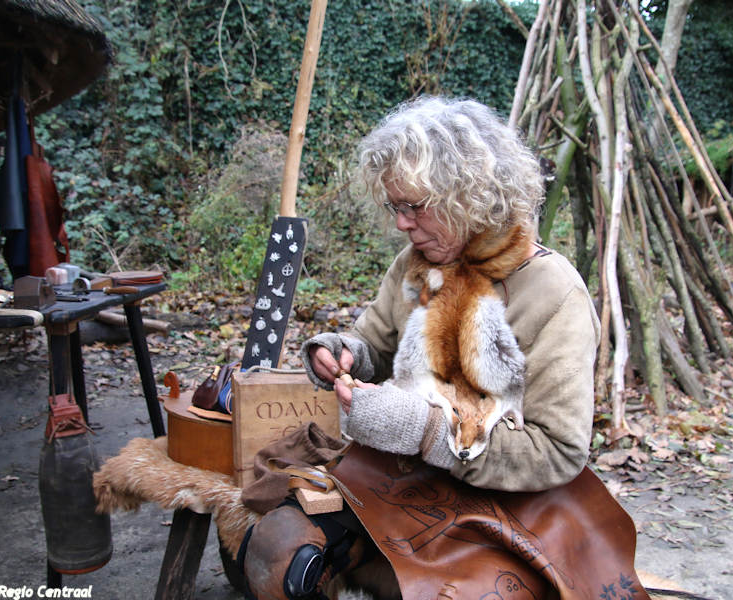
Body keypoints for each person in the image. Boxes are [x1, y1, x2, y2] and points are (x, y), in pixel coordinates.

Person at [239, 96, 601, 599]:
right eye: (395, 207)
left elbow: (558, 452)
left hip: (505, 508)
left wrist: (427, 430)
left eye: (414, 207)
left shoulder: (555, 294)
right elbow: (376, 343)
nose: (401, 224)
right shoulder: (416, 262)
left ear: (470, 195)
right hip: (397, 482)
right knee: (280, 551)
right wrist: (345, 354)